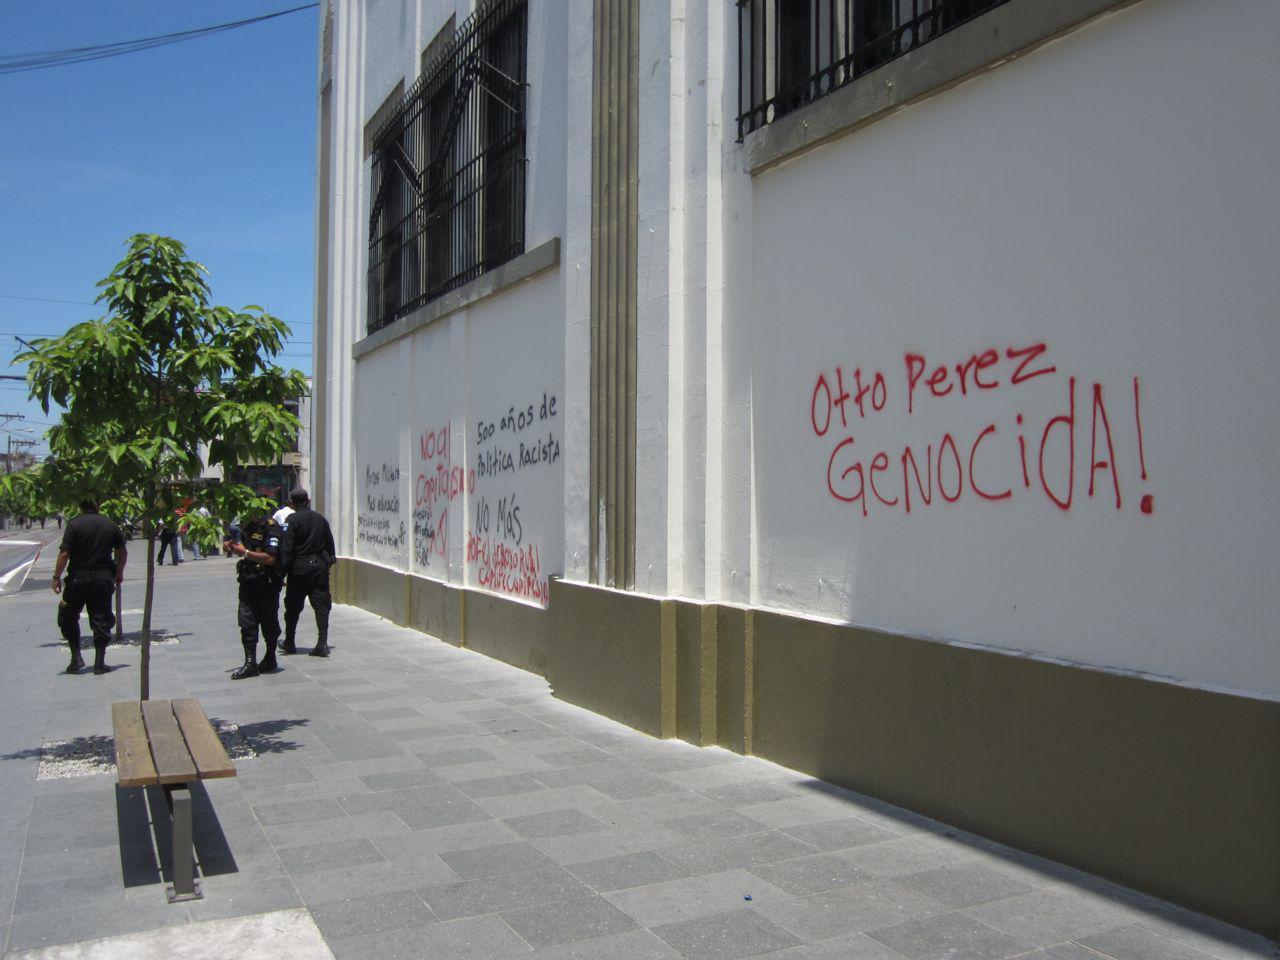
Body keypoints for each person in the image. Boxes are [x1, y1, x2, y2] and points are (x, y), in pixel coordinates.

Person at [52, 498, 127, 675]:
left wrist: (56, 577)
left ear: (81, 507)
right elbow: (122, 550)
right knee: (101, 620)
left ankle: (76, 657)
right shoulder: (110, 524)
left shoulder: (74, 525)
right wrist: (119, 572)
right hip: (102, 580)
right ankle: (100, 663)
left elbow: (64, 553)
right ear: (98, 506)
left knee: (67, 617)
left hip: (78, 580)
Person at [223, 510, 285, 679]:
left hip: (267, 583)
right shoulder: (249, 527)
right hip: (248, 581)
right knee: (246, 622)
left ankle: (270, 657)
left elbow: (270, 558)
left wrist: (244, 553)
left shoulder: (271, 528)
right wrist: (232, 548)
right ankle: (250, 662)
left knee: (268, 622)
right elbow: (244, 548)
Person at [280, 488, 335, 657]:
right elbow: (331, 547)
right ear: (308, 500)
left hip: (299, 570)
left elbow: (287, 548)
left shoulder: (292, 520)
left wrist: (282, 571)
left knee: (293, 607)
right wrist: (326, 564)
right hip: (319, 569)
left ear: (292, 503)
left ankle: (290, 641)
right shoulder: (320, 519)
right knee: (322, 606)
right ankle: (322, 642)